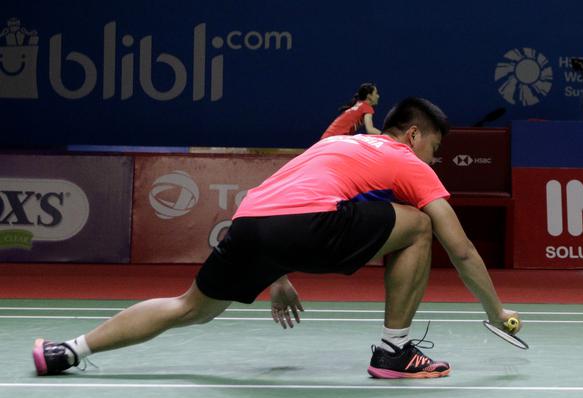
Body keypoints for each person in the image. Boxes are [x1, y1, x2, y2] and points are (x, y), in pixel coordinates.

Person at [33, 97, 520, 379]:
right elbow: (460, 248)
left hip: (248, 224)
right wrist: (496, 312)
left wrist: (276, 274)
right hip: (303, 224)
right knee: (420, 225)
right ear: (413, 136)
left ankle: (69, 350)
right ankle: (395, 350)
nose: (436, 158)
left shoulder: (338, 144)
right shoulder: (406, 161)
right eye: (436, 146)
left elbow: (280, 203)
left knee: (189, 307)